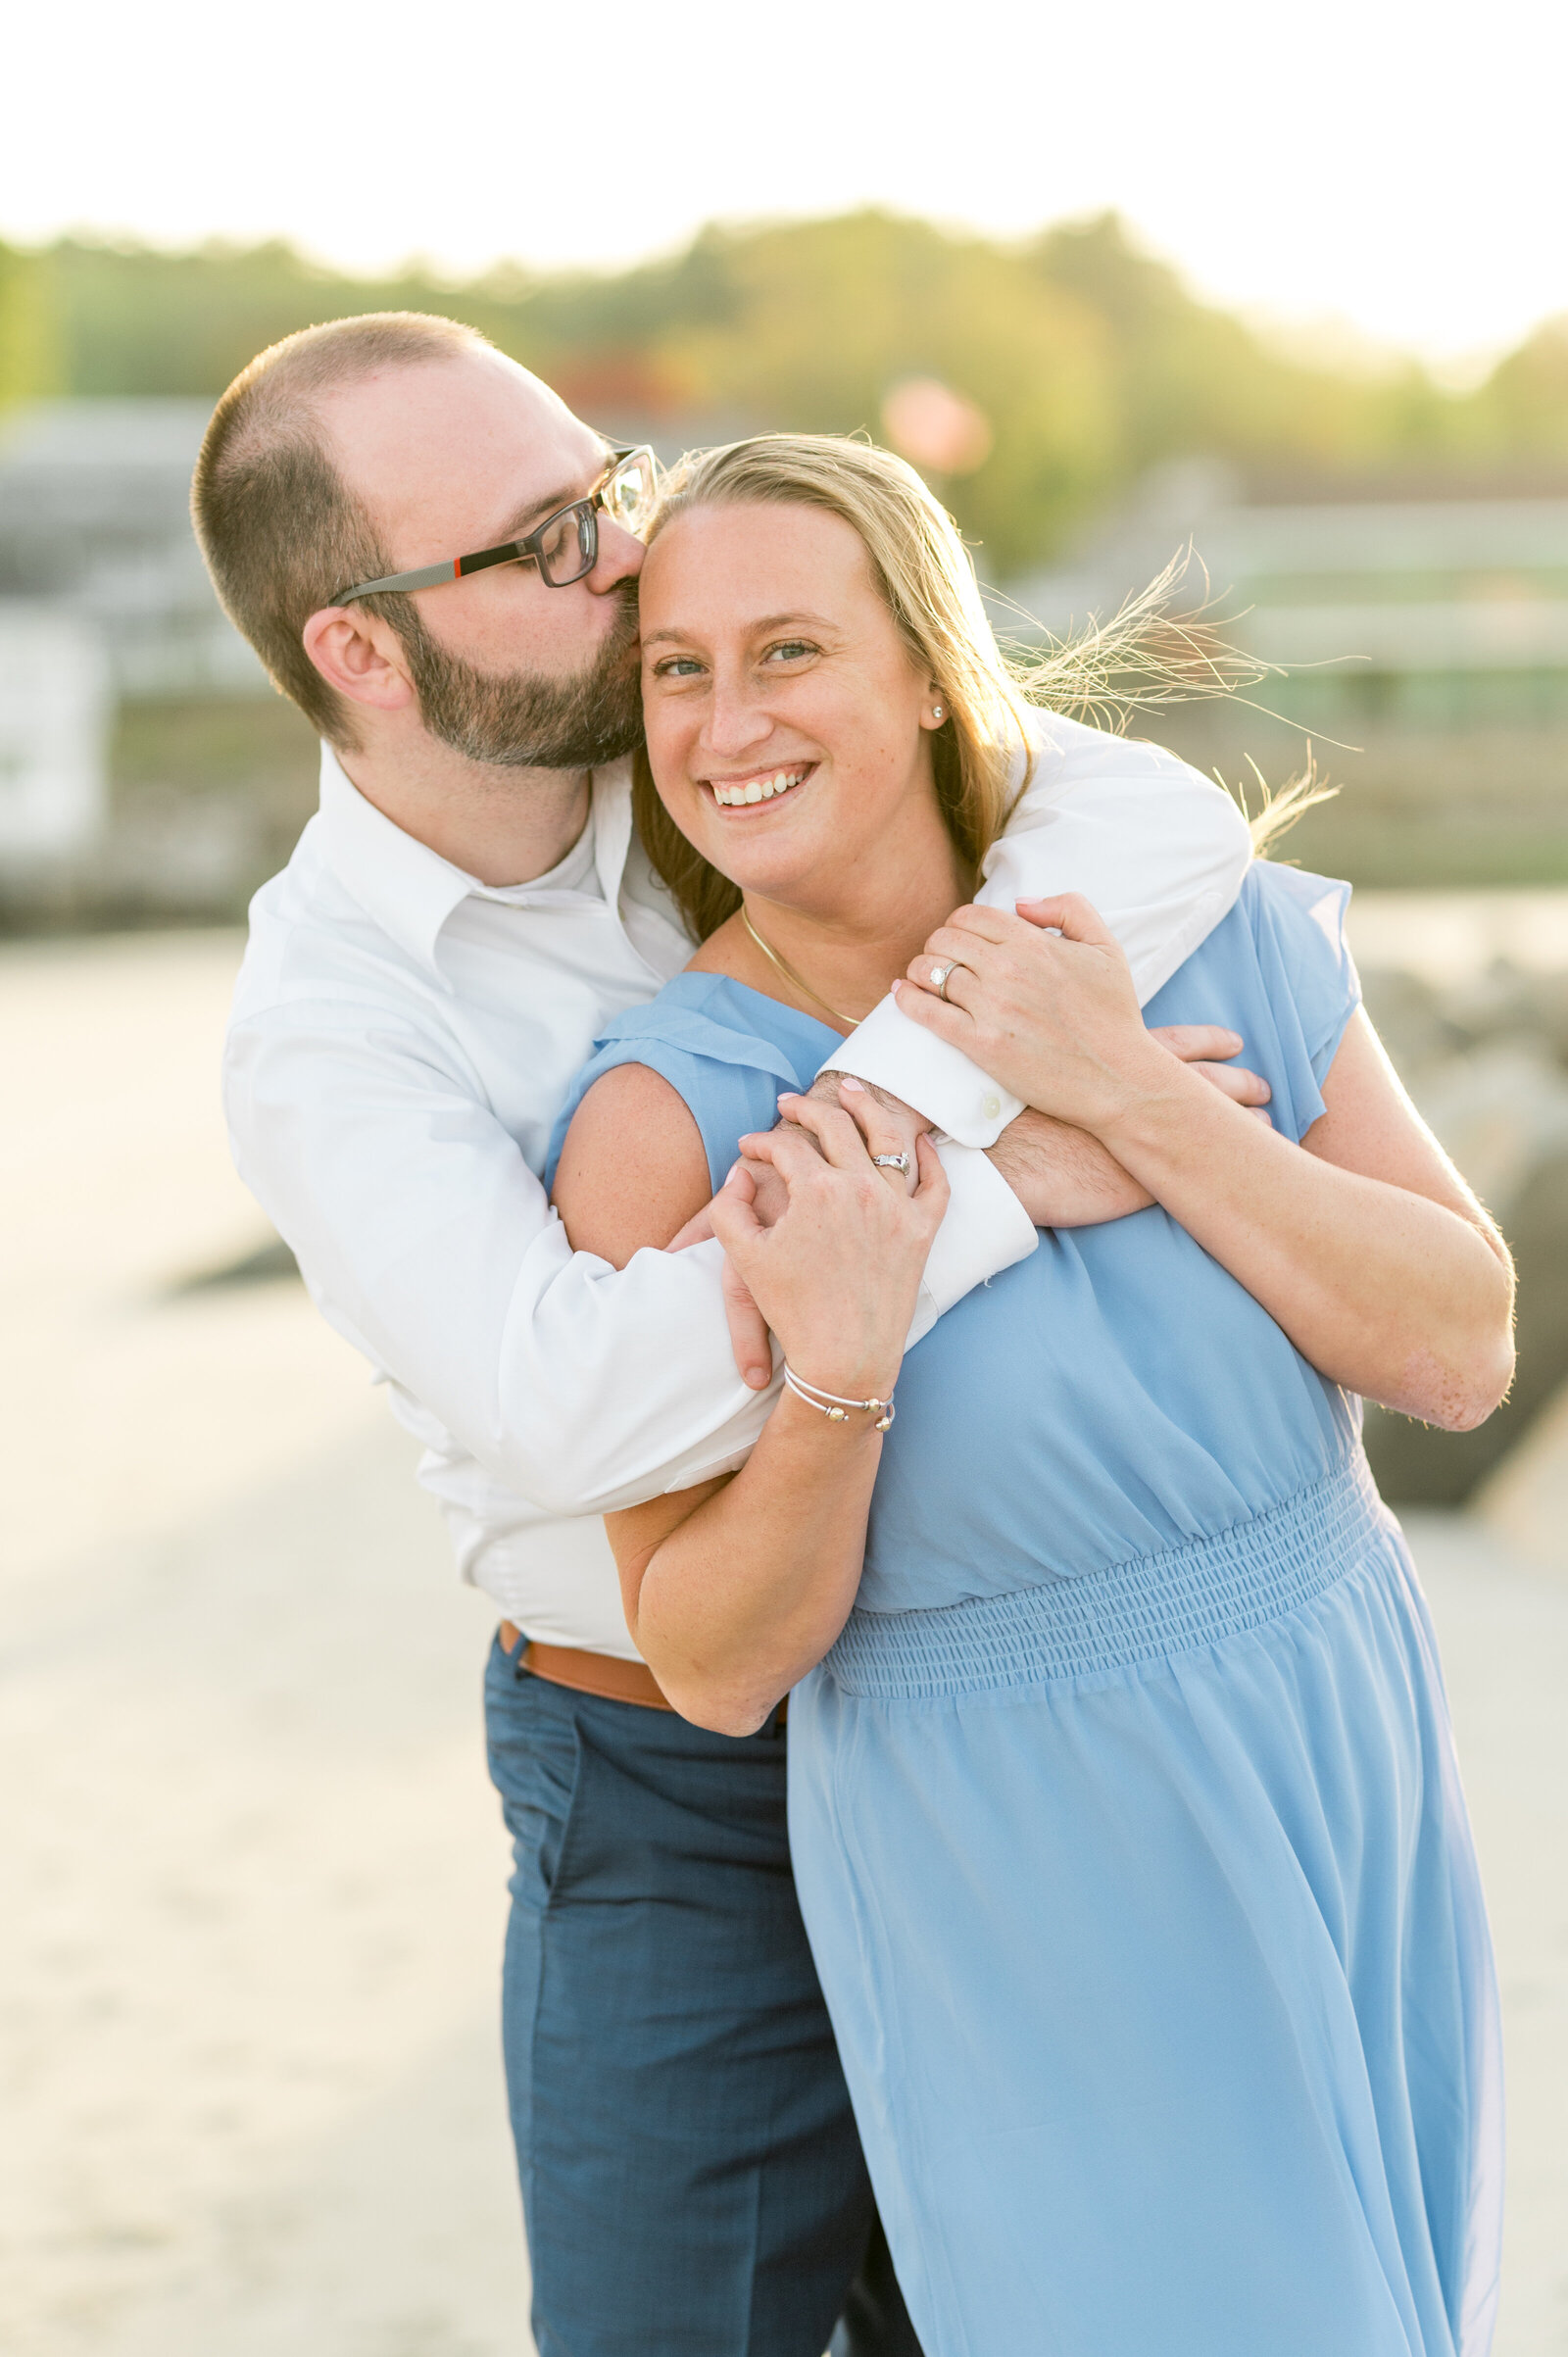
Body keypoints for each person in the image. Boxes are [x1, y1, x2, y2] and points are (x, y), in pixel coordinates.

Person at [194, 313, 1259, 2357]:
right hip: (669, 1780)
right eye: (543, 544)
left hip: (991, 1705)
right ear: (358, 647)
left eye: (610, 489)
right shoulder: (326, 1031)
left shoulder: (715, 729)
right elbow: (559, 1404)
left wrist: (912, 1132)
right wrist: (985, 1181)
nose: (624, 558)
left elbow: (1152, 825)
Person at [550, 433, 1514, 2357]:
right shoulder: (666, 1122)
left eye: (787, 650)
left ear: (926, 664)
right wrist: (843, 1354)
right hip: (1012, 1839)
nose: (725, 719)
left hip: (1335, 1738)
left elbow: (1455, 1343)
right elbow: (717, 1661)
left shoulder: (1181, 929)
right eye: (677, 668)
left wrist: (1126, 1089)